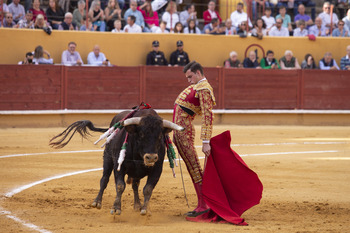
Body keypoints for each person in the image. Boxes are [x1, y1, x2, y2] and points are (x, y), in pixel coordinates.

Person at [172, 61, 215, 218]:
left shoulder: (204, 89)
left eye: (190, 77)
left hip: (185, 131)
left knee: (194, 167)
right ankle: (203, 202)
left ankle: (204, 204)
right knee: (193, 167)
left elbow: (208, 116)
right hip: (180, 131)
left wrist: (206, 141)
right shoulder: (198, 87)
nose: (189, 80)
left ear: (198, 73)